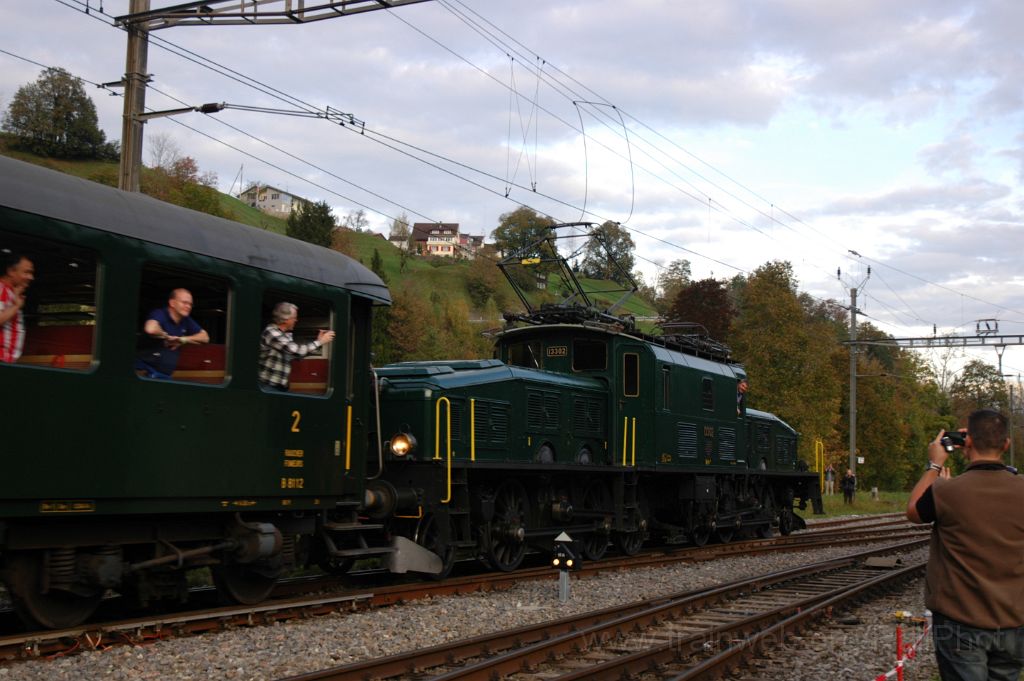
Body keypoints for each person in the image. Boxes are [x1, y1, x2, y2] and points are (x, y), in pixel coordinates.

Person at [907, 409, 1024, 681]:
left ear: (967, 443)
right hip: (1015, 622)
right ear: (1006, 445)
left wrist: (935, 465)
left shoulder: (947, 491)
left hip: (960, 623)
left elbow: (913, 510)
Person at [258, 302, 335, 392]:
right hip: (268, 386)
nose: (296, 320)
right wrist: (320, 342)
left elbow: (297, 356)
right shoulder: (271, 332)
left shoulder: (285, 335)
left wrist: (318, 341)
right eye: (294, 318)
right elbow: (296, 351)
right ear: (285, 319)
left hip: (279, 387)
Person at [136, 288, 209, 379]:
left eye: (190, 304)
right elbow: (150, 329)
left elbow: (205, 337)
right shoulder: (160, 313)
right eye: (184, 302)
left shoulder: (186, 320)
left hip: (164, 375)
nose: (188, 306)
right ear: (172, 303)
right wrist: (166, 337)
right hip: (144, 371)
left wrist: (182, 339)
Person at [0, 253, 34, 363]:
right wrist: (16, 306)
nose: (31, 277)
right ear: (11, 271)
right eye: (26, 272)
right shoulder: (1, 289)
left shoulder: (11, 292)